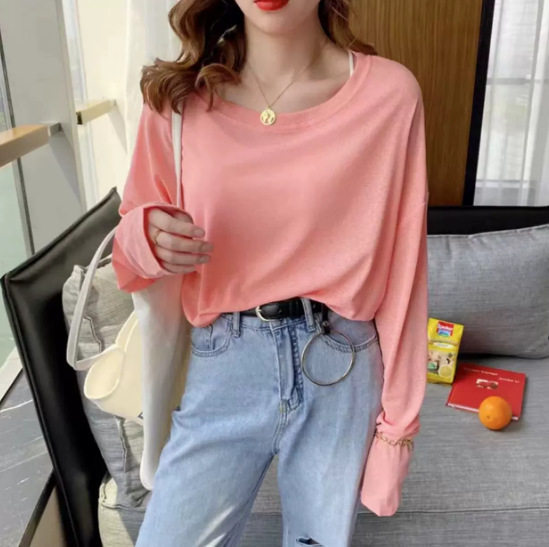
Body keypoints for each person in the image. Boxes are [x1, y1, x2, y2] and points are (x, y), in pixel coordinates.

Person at [111, 0, 429, 545]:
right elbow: (128, 247)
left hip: (341, 367)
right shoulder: (178, 102)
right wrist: (145, 237)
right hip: (223, 363)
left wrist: (397, 430)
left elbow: (406, 277)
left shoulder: (390, 96)